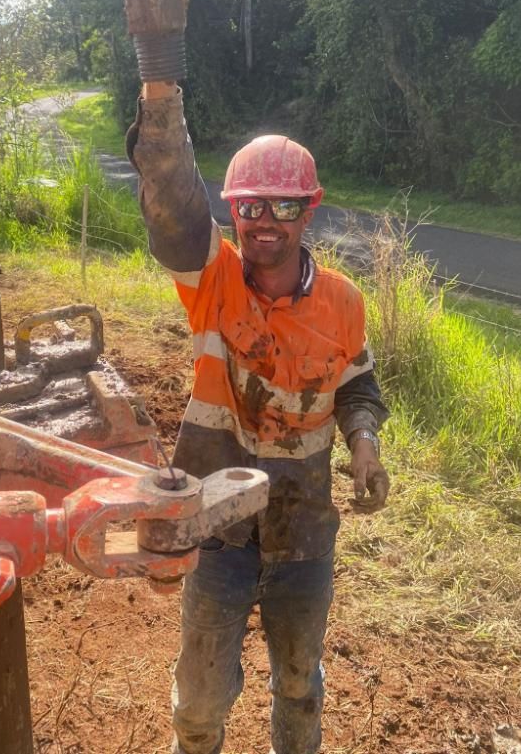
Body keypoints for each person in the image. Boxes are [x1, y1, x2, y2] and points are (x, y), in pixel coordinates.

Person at [127, 80, 390, 754]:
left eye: (282, 205)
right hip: (215, 526)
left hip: (303, 531)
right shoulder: (211, 280)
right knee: (200, 700)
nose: (263, 219)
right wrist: (161, 107)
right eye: (248, 206)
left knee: (299, 685)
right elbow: (174, 217)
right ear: (233, 211)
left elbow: (358, 384)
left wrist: (363, 444)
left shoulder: (343, 302)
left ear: (310, 210)